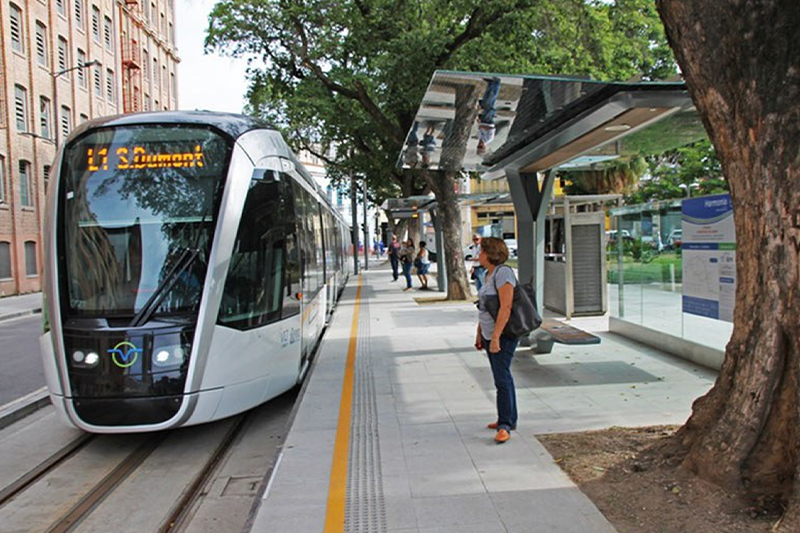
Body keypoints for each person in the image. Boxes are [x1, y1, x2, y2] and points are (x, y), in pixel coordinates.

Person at [473, 237, 518, 444]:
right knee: (502, 377)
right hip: (490, 333)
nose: (478, 254)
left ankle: (505, 425)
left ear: (490, 253)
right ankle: (507, 418)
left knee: (502, 379)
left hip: (503, 335)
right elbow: (485, 306)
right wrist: (480, 333)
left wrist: (496, 337)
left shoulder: (504, 273)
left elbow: (505, 307)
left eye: (481, 251)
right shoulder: (489, 274)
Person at [476, 77, 501, 156]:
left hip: (482, 119)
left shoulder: (479, 137)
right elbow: (492, 129)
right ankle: (496, 84)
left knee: (485, 100)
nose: (480, 145)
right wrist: (483, 127)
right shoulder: (489, 139)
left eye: (478, 146)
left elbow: (479, 128)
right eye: (481, 147)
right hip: (488, 120)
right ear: (484, 147)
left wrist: (479, 122)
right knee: (490, 100)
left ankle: (490, 84)